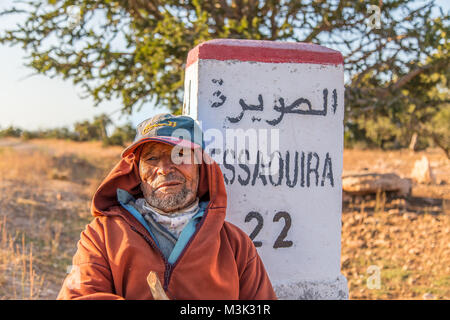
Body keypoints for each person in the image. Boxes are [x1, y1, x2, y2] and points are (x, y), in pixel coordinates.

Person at [57, 113, 276, 300]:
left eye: (180, 155)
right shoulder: (102, 236)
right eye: (151, 158)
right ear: (136, 172)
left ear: (201, 166)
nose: (164, 168)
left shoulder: (235, 245)